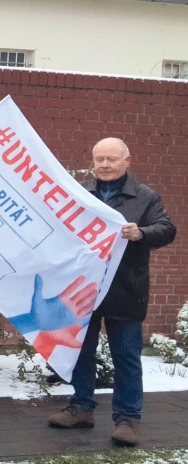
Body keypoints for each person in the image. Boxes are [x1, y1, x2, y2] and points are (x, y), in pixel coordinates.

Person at [47, 137, 176, 446]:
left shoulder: (145, 197)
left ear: (127, 161)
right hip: (84, 290)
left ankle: (128, 420)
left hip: (125, 290)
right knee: (80, 352)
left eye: (111, 159)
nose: (104, 165)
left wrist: (141, 233)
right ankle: (81, 409)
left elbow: (167, 229)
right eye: (99, 159)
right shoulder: (80, 193)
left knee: (126, 358)